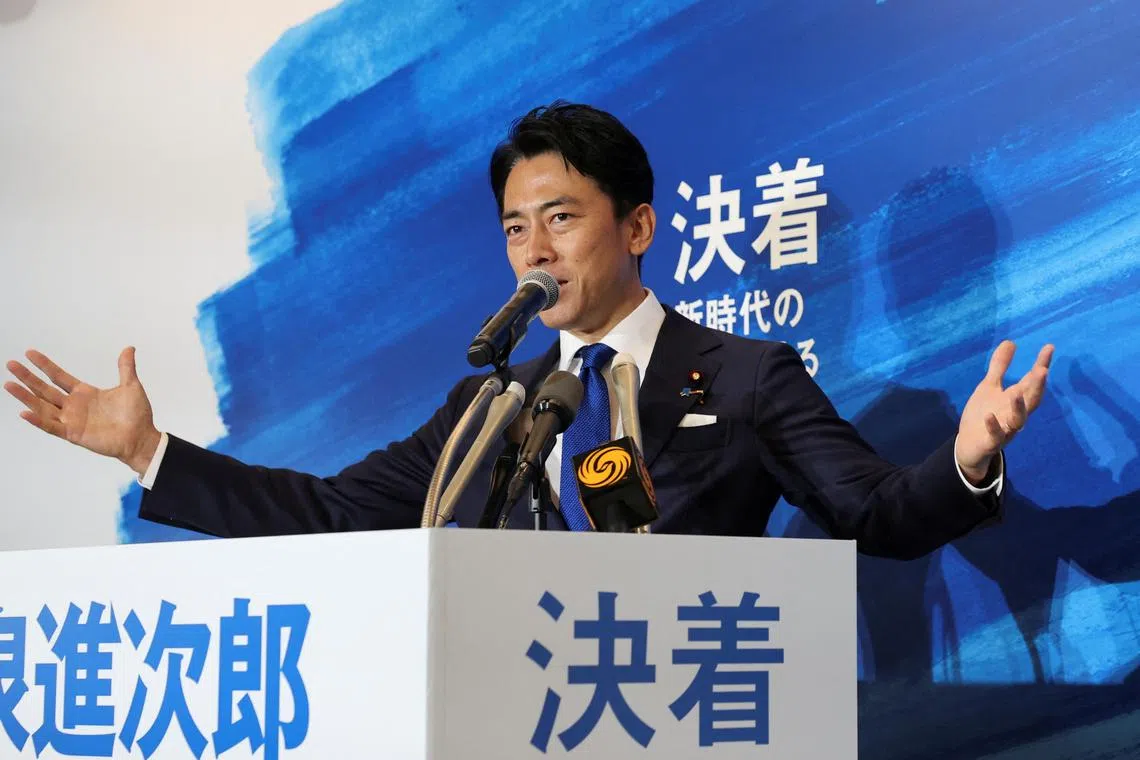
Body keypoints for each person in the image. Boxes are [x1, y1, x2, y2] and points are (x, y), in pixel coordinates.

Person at [3, 102, 1053, 558]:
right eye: (515, 227)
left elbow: (875, 515)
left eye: (561, 218)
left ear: (636, 226)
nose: (534, 250)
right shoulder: (493, 401)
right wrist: (148, 452)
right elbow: (329, 511)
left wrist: (964, 461)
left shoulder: (741, 374)